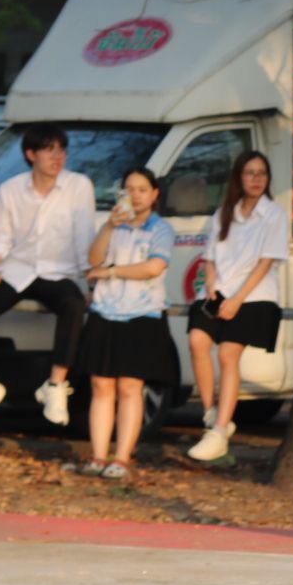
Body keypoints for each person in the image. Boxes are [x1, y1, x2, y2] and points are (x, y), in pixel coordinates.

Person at [0, 124, 95, 431]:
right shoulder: (10, 189)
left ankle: (56, 385)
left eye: (61, 150)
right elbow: (0, 237)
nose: (57, 157)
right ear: (31, 154)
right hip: (16, 269)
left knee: (74, 305)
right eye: (49, 150)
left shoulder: (79, 186)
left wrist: (91, 283)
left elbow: (84, 237)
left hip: (57, 271)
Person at [186, 151, 288, 463]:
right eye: (250, 173)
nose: (256, 179)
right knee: (197, 340)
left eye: (262, 173)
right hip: (220, 290)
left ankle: (219, 433)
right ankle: (211, 413)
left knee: (228, 354)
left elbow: (265, 262)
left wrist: (237, 300)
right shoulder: (223, 214)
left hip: (254, 296)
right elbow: (210, 258)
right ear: (239, 178)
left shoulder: (274, 215)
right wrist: (212, 287)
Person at [78, 168, 179, 479]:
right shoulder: (111, 225)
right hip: (105, 310)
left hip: (142, 314)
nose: (135, 196)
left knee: (131, 387)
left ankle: (122, 457)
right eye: (129, 189)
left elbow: (153, 267)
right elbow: (93, 260)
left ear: (155, 194)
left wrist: (111, 272)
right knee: (101, 385)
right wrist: (109, 227)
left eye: (142, 189)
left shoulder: (161, 228)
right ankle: (98, 455)